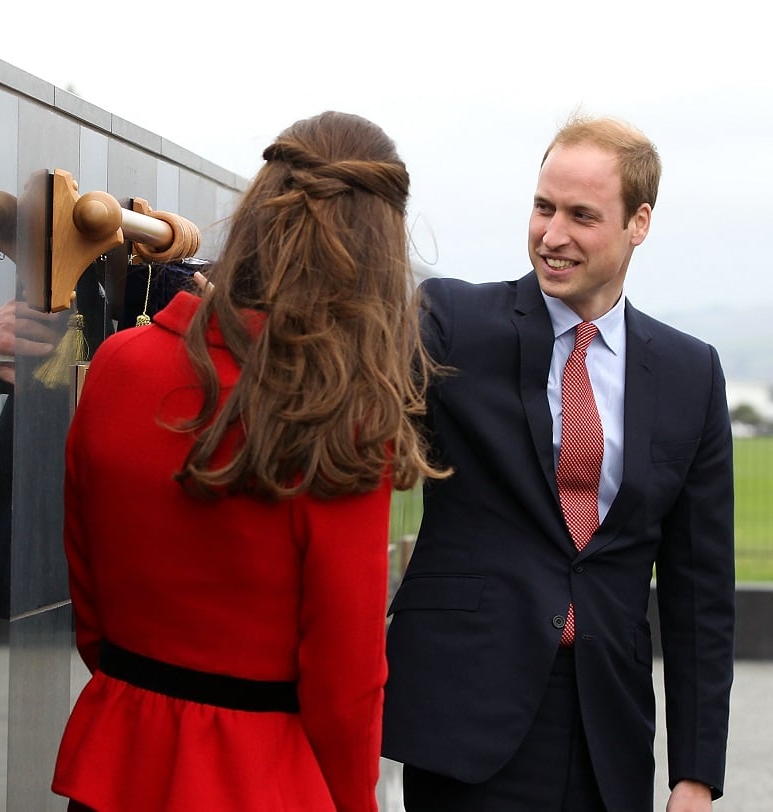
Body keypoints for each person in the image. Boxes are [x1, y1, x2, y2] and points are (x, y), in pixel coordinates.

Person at [52, 110, 446, 811]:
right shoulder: (339, 419)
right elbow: (346, 680)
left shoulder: (117, 365)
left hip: (118, 758)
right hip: (261, 782)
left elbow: (89, 599)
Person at [381, 114, 735, 812]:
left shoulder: (691, 373)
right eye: (544, 207)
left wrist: (695, 774)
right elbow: (355, 418)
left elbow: (700, 590)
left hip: (608, 731)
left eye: (581, 215)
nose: (552, 235)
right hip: (467, 719)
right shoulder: (451, 321)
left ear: (639, 223)